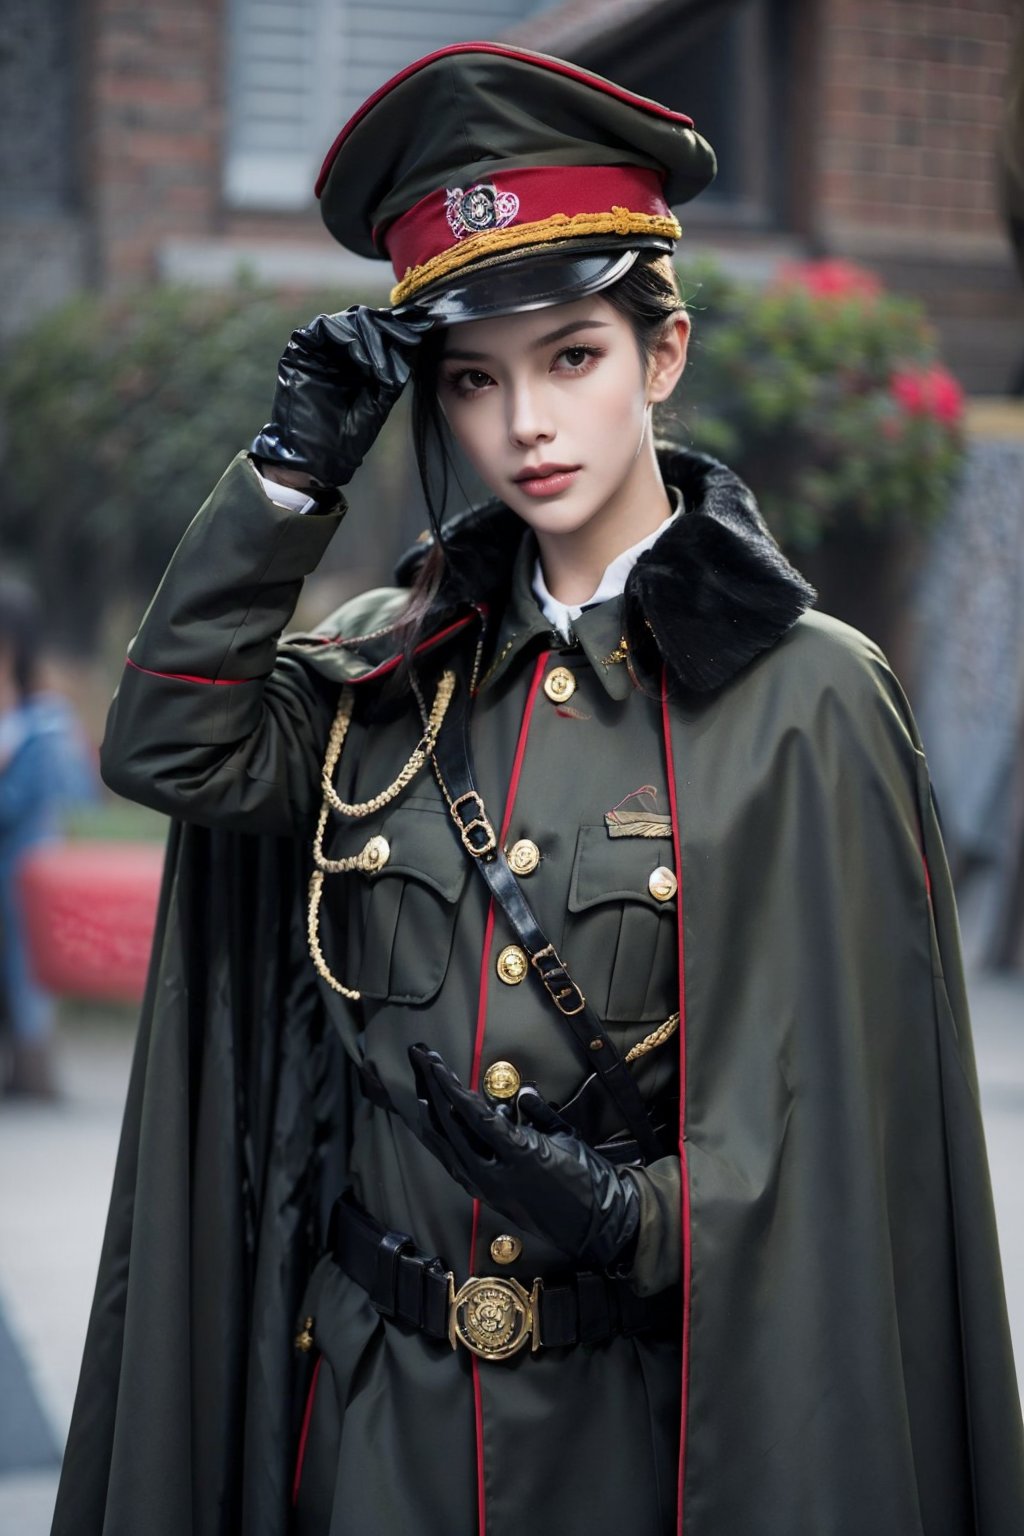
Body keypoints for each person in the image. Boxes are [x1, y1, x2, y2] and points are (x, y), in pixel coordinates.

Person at [52, 43, 1024, 1536]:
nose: (526, 426)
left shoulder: (806, 697)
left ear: (664, 353)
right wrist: (287, 482)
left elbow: (853, 1153)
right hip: (372, 1434)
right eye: (471, 383)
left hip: (640, 1443)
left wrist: (639, 1218)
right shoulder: (381, 676)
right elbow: (167, 750)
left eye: (571, 356)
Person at [0, 575, 98, 1097]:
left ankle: (31, 1061)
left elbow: (70, 793)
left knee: (24, 957)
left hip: (25, 865)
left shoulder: (44, 720)